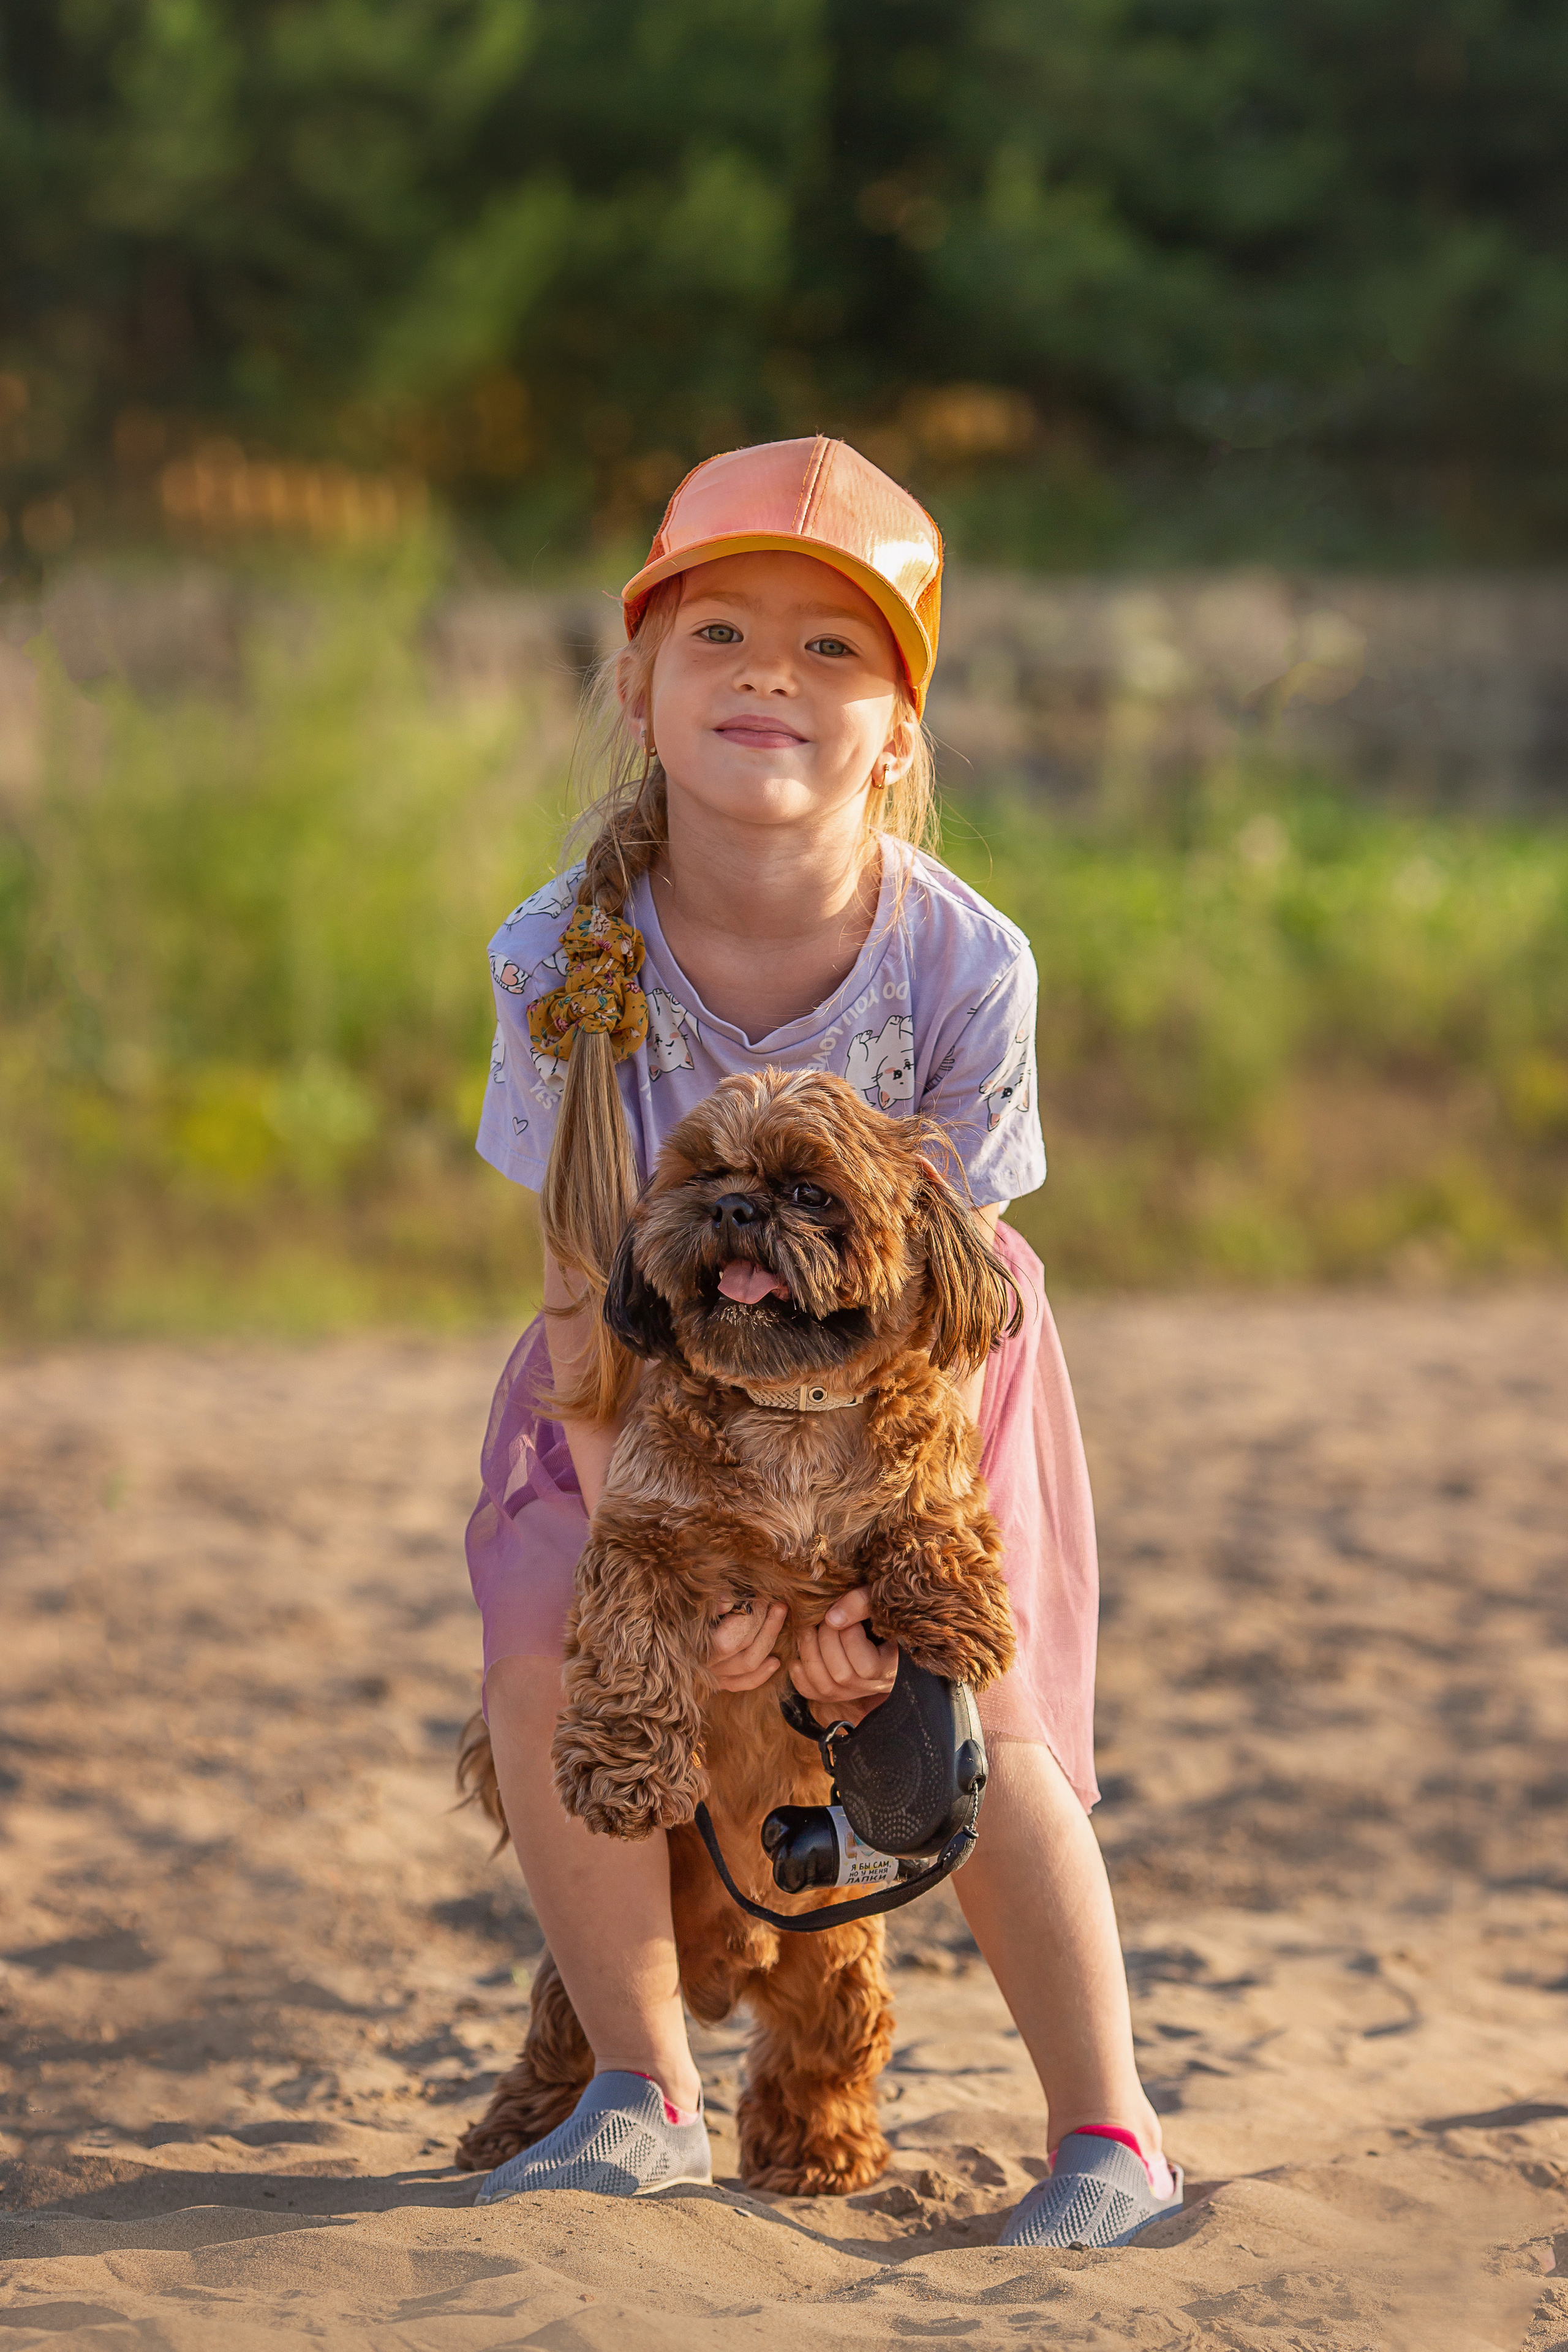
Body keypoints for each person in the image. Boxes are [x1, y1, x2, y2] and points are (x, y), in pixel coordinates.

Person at [464, 437, 1182, 2248]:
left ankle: (1106, 2127)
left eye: (836, 647)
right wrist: (663, 1537)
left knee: (972, 1706)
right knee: (554, 1639)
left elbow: (965, 1280)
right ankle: (639, 2085)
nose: (772, 673)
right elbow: (573, 1262)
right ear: (639, 686)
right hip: (626, 1384)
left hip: (928, 1398)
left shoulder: (967, 962)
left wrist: (857, 1584)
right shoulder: (560, 950)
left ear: (903, 732)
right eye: (721, 632)